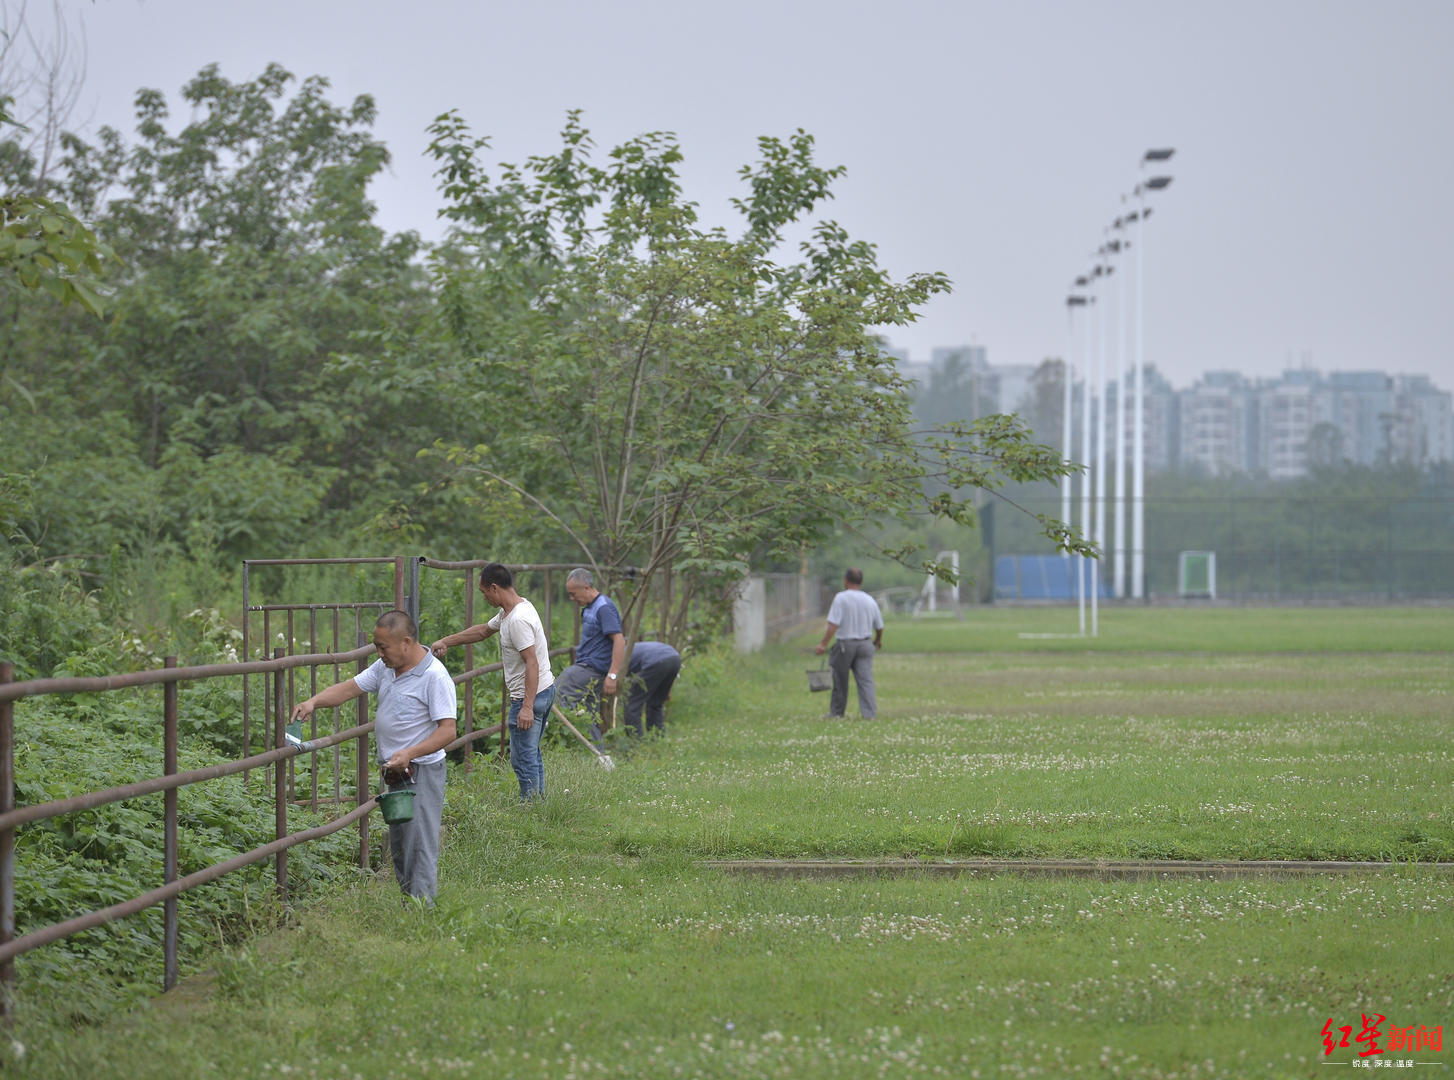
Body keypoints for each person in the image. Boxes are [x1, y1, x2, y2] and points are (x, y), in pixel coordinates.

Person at [292, 610, 456, 902]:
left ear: (406, 642)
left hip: (422, 772)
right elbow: (349, 688)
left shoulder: (434, 677)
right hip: (397, 773)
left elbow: (448, 731)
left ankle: (422, 910)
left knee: (419, 844)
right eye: (377, 647)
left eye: (383, 647)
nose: (379, 653)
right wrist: (314, 701)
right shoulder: (386, 668)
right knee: (402, 844)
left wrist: (411, 752)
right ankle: (411, 904)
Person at [431, 563, 556, 801]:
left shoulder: (518, 620)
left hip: (530, 696)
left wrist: (527, 707)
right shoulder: (514, 610)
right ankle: (539, 804)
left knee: (522, 758)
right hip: (543, 689)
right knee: (531, 753)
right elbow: (482, 631)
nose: (485, 597)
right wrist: (446, 640)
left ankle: (530, 808)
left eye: (484, 592)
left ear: (494, 588)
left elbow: (532, 663)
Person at [553, 568, 624, 731]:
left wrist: (612, 675)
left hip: (593, 668)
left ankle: (566, 735)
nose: (572, 598)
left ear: (586, 587)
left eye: (573, 593)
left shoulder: (603, 607)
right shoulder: (589, 607)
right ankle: (597, 753)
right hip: (587, 666)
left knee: (560, 688)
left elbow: (619, 640)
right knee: (590, 714)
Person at [814, 568, 884, 719]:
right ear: (861, 582)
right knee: (866, 681)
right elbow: (879, 626)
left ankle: (837, 713)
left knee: (840, 679)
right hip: (865, 644)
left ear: (845, 580)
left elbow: (833, 625)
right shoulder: (869, 599)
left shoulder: (841, 598)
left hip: (845, 645)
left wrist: (823, 644)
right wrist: (877, 640)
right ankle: (870, 714)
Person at [621, 640, 681, 736]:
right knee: (656, 703)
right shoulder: (635, 648)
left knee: (632, 704)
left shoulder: (619, 655)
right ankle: (657, 737)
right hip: (675, 658)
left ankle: (635, 741)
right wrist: (667, 689)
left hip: (656, 661)